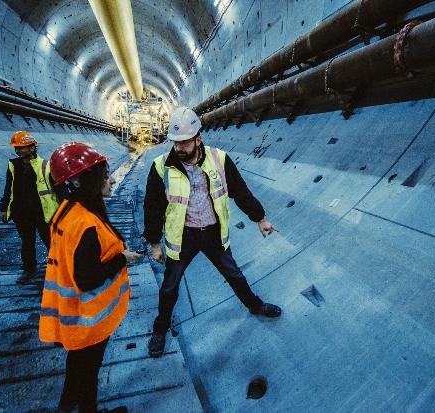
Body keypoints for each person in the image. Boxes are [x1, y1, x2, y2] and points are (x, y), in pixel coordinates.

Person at [143, 107, 282, 358]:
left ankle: (255, 305)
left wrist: (259, 218)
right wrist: (154, 243)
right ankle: (160, 330)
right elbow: (152, 207)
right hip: (182, 237)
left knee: (234, 274)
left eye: (185, 142)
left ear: (198, 138)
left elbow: (240, 192)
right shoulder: (161, 167)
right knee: (169, 288)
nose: (179, 148)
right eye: (175, 142)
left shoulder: (220, 159)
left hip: (213, 234)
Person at [39, 142, 142, 413]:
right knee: (89, 370)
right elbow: (86, 278)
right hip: (88, 315)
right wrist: (122, 259)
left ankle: (67, 404)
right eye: (104, 174)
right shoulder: (85, 225)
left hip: (73, 311)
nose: (111, 178)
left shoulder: (67, 211)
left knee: (79, 364)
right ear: (85, 181)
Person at [0, 131, 60, 284]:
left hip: (43, 213)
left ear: (32, 148)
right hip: (22, 213)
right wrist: (3, 207)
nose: (18, 151)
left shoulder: (45, 165)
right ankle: (29, 270)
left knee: (50, 242)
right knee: (27, 242)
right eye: (16, 148)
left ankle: (60, 268)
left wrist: (66, 209)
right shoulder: (13, 165)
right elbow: (9, 188)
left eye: (22, 147)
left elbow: (59, 189)